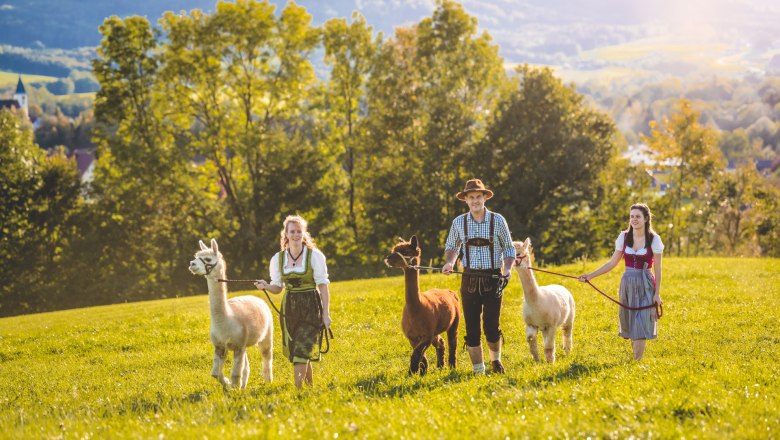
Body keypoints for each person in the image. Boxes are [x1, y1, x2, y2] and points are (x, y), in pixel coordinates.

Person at [442, 178, 516, 374]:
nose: (475, 200)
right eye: (471, 197)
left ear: (485, 198)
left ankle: (496, 361)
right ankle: (478, 370)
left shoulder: (498, 220)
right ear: (465, 200)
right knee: (472, 329)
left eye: (478, 196)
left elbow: (509, 249)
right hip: (469, 279)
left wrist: (507, 270)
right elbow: (452, 246)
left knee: (492, 327)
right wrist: (450, 262)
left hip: (493, 278)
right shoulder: (458, 222)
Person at [578, 203, 664, 361]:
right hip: (627, 283)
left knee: (642, 321)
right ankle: (635, 359)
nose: (634, 219)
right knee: (631, 321)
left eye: (637, 216)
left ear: (646, 219)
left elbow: (658, 269)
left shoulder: (654, 239)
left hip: (646, 283)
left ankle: (636, 362)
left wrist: (657, 293)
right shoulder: (624, 237)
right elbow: (612, 263)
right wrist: (590, 275)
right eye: (631, 216)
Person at [254, 215, 332, 388]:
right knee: (299, 348)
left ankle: (297, 392)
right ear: (286, 234)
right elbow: (278, 288)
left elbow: (323, 286)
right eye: (292, 231)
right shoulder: (278, 259)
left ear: (303, 234)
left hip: (311, 305)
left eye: (299, 231)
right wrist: (266, 286)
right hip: (289, 308)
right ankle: (309, 389)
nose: (296, 234)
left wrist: (326, 314)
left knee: (301, 349)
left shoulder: (314, 257)